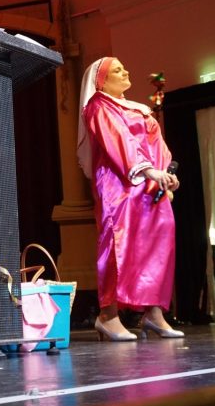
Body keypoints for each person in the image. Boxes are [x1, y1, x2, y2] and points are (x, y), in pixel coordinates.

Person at [77, 57, 184, 341]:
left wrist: (164, 174)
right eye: (117, 70)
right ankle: (107, 316)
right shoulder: (98, 106)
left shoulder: (139, 109)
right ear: (101, 81)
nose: (125, 72)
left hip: (149, 182)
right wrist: (148, 170)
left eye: (124, 67)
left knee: (158, 241)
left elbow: (156, 144)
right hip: (118, 183)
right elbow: (119, 140)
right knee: (118, 243)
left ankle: (153, 314)